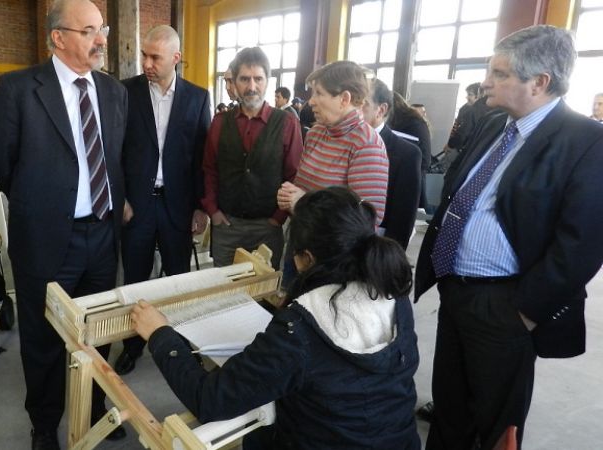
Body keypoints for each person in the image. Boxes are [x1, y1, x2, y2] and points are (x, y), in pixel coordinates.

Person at [415, 25, 603, 449]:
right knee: (449, 409)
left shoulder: (587, 142)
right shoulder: (494, 123)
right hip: (456, 290)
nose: (486, 82)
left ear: (539, 82)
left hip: (506, 303)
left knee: (497, 424)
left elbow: (582, 244)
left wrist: (526, 312)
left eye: (500, 74)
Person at [131, 186, 421, 450]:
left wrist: (160, 335)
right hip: (400, 441)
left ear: (306, 258)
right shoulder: (392, 295)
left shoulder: (298, 332)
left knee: (258, 436)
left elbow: (210, 400)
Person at [0, 0, 128, 447]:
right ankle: (44, 424)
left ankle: (96, 408)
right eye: (88, 31)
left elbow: (115, 157)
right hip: (45, 239)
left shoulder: (113, 91)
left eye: (101, 29)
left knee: (99, 330)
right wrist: (40, 202)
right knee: (43, 340)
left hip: (102, 233)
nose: (100, 40)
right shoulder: (19, 89)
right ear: (58, 37)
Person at [114, 24, 211, 376]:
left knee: (178, 279)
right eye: (144, 55)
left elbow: (201, 156)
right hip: (136, 205)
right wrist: (121, 198)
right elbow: (114, 151)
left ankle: (180, 343)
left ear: (176, 57)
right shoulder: (126, 93)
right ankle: (132, 346)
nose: (147, 63)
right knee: (135, 278)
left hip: (178, 205)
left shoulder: (198, 97)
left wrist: (200, 205)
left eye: (155, 57)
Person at [201, 47, 303, 269]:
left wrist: (277, 218)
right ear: (235, 82)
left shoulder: (287, 123)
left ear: (267, 81)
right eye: (245, 79)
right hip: (227, 226)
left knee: (264, 289)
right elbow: (209, 169)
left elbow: (293, 175)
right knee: (224, 286)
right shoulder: (220, 122)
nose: (252, 87)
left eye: (258, 79)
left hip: (267, 228)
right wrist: (213, 211)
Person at [277, 61, 388, 221]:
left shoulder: (367, 145)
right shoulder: (316, 133)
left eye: (319, 93)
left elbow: (365, 219)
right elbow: (300, 190)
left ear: (344, 99)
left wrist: (304, 202)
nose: (311, 101)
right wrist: (289, 195)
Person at [362, 78, 421, 249]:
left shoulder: (406, 153)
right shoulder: (340, 142)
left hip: (375, 247)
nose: (354, 109)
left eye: (363, 103)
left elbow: (402, 219)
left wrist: (387, 258)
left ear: (381, 110)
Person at [389, 92, 431, 208]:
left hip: (411, 180)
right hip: (406, 178)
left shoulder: (414, 123)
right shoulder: (410, 122)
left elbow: (425, 160)